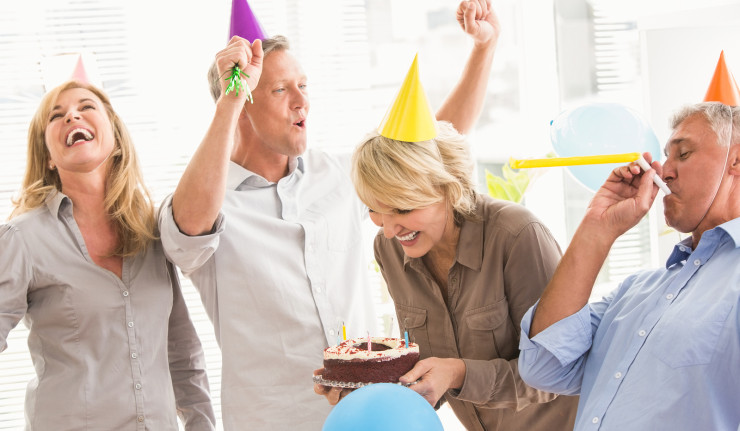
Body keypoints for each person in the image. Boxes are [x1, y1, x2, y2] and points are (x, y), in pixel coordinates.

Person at [159, 1, 500, 429]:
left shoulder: (336, 174)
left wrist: (484, 50)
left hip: (370, 416)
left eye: (303, 85)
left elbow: (427, 149)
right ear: (242, 101)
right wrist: (230, 97)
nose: (303, 101)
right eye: (282, 90)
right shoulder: (208, 200)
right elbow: (186, 229)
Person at [327, 120, 579, 430]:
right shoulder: (390, 248)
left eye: (403, 209)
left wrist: (460, 374)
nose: (389, 229)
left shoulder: (517, 235)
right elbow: (431, 368)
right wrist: (365, 383)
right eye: (374, 209)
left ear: (449, 188)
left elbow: (559, 371)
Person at [0, 81, 216, 430]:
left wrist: (201, 424)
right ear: (49, 159)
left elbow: (182, 352)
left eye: (86, 107)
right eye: (56, 115)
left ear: (115, 138)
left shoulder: (153, 232)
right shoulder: (22, 239)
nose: (72, 115)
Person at [518, 102, 740, 430]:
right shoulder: (634, 291)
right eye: (666, 156)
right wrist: (598, 227)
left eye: (684, 153)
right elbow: (544, 366)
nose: (664, 170)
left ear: (735, 160)